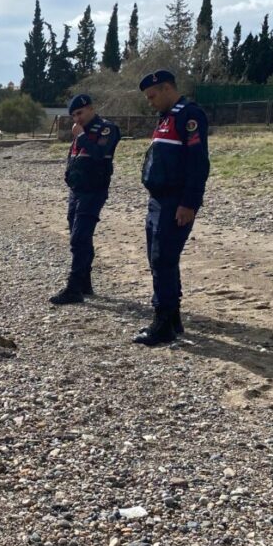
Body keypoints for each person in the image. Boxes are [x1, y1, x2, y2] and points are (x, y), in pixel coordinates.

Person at [134, 70, 210, 346]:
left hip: (175, 202)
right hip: (157, 201)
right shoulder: (165, 118)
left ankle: (162, 322)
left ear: (167, 89)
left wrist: (189, 203)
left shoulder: (188, 115)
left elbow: (198, 163)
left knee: (163, 259)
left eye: (153, 96)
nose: (150, 102)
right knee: (158, 259)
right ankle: (173, 318)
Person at [49, 94, 121, 305]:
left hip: (93, 190)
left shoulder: (106, 129)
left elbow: (99, 153)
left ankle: (73, 287)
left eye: (79, 113)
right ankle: (85, 282)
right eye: (73, 115)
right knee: (78, 235)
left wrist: (81, 137)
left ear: (90, 109)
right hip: (77, 190)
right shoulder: (80, 132)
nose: (77, 119)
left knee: (80, 236)